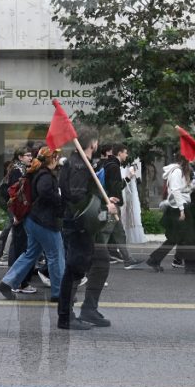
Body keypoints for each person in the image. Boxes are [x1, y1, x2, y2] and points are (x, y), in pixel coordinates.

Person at [57, 129, 118, 330]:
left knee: (101, 262)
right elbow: (77, 198)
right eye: (96, 141)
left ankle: (89, 309)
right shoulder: (79, 165)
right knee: (74, 270)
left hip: (86, 227)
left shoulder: (82, 163)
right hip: (79, 227)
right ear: (93, 143)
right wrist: (105, 208)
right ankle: (66, 316)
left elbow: (85, 194)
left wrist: (103, 199)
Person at [0, 147, 66, 301]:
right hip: (45, 221)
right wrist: (61, 199)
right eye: (57, 157)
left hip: (33, 220)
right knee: (55, 255)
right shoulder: (45, 175)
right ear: (53, 159)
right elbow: (45, 191)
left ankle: (6, 283)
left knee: (31, 254)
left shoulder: (35, 171)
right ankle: (59, 293)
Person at [147, 152, 195, 274]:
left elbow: (180, 190)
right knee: (188, 237)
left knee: (175, 237)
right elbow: (176, 191)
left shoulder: (179, 171)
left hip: (178, 207)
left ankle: (154, 259)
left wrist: (191, 188)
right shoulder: (177, 171)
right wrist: (182, 210)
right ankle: (191, 266)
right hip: (179, 208)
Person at [101, 144, 142, 268]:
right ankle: (94, 260)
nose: (126, 155)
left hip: (110, 203)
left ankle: (128, 259)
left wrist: (127, 178)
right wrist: (128, 177)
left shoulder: (108, 164)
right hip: (112, 205)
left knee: (119, 233)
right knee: (105, 233)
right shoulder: (114, 167)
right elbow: (116, 187)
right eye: (125, 152)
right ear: (119, 153)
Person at [0, 147, 32, 265]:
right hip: (15, 206)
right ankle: (7, 257)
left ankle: (5, 256)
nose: (30, 158)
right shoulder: (17, 170)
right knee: (15, 232)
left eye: (31, 155)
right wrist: (16, 212)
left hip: (14, 206)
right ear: (20, 157)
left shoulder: (20, 168)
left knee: (13, 230)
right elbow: (15, 192)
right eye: (28, 155)